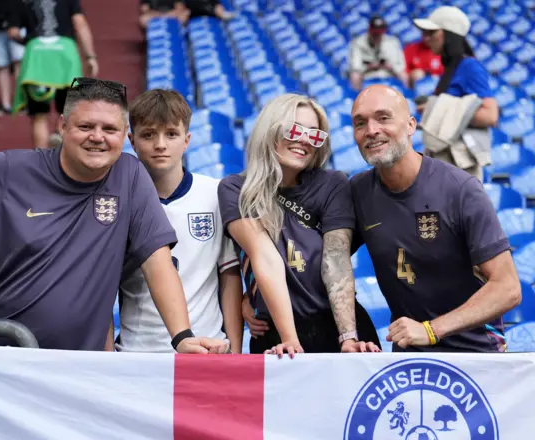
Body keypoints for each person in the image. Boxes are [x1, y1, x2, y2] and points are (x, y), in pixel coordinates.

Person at [0, 78, 229, 355]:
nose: (98, 137)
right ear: (62, 127)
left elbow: (157, 261)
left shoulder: (129, 176)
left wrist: (182, 336)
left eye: (110, 129)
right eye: (86, 126)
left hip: (70, 371)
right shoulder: (7, 169)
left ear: (123, 135)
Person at [349, 85, 521, 352]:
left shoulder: (460, 189)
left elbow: (508, 288)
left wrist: (431, 330)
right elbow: (321, 260)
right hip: (409, 359)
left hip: (477, 356)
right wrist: (350, 334)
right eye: (360, 123)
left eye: (383, 118)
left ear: (410, 125)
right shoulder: (358, 191)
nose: (371, 130)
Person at [218, 93, 381, 358]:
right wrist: (289, 339)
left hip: (337, 326)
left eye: (314, 135)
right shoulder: (236, 189)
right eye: (295, 130)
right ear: (270, 131)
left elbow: (336, 259)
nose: (305, 140)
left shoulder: (332, 183)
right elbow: (264, 257)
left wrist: (348, 336)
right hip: (276, 335)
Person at [107, 89, 244, 353]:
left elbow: (229, 275)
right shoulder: (116, 201)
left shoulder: (215, 194)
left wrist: (235, 351)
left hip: (208, 348)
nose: (160, 144)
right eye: (149, 135)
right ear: (132, 141)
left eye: (171, 134)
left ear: (187, 139)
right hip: (137, 352)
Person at [413, 6, 498, 178]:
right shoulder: (452, 68)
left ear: (450, 35)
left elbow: (490, 115)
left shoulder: (470, 67)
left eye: (432, 33)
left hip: (459, 165)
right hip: (444, 159)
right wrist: (433, 108)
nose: (426, 39)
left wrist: (438, 109)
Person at [7, 0, 100, 149]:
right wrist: (90, 57)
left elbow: (13, 32)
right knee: (69, 111)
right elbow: (79, 23)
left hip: (36, 57)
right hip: (65, 56)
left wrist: (29, 40)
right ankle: (59, 132)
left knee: (39, 116)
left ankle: (42, 162)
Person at [348, 16, 408, 90]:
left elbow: (400, 66)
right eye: (375, 32)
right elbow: (355, 67)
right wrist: (369, 67)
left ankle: (406, 96)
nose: (377, 35)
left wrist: (389, 66)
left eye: (379, 32)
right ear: (369, 30)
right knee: (355, 75)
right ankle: (357, 98)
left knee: (403, 74)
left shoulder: (392, 42)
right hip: (367, 74)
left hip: (388, 72)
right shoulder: (358, 43)